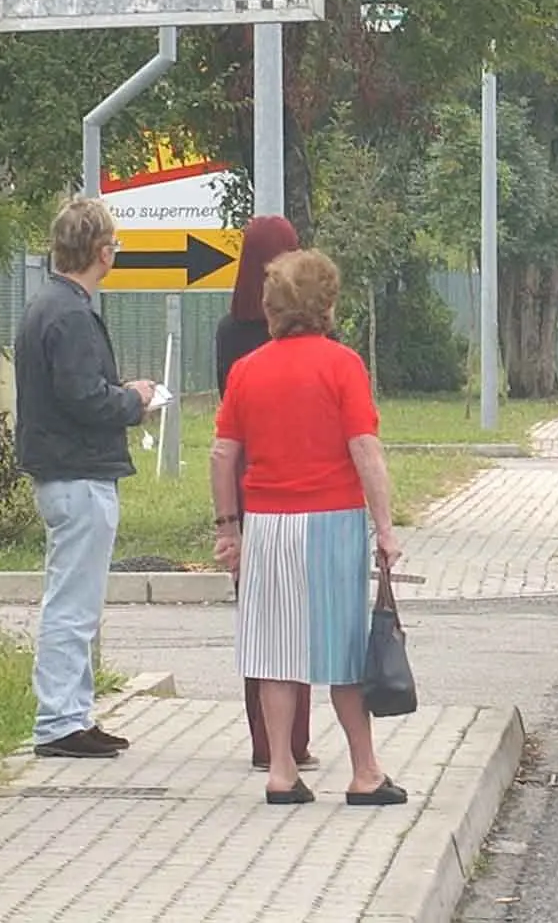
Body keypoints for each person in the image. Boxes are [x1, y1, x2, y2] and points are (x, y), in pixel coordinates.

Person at [211, 249, 409, 807]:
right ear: (326, 304)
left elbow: (223, 455)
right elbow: (365, 449)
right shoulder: (342, 365)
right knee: (344, 651)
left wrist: (230, 529)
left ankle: (280, 771)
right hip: (332, 524)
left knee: (277, 651)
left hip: (268, 527)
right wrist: (385, 527)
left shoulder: (246, 371)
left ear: (273, 307)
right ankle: (364, 772)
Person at [14, 196, 160, 759]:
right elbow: (83, 397)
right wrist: (133, 400)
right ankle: (57, 721)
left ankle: (73, 713)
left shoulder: (45, 305)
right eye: (114, 246)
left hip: (60, 468)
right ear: (103, 253)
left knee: (75, 599)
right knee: (73, 603)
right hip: (78, 471)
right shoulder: (72, 314)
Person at [214, 215, 317, 773]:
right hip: (301, 486)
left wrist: (224, 519)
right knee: (298, 618)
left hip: (246, 485)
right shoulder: (315, 342)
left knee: (257, 617)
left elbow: (223, 434)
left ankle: (264, 742)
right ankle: (295, 742)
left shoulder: (230, 335)